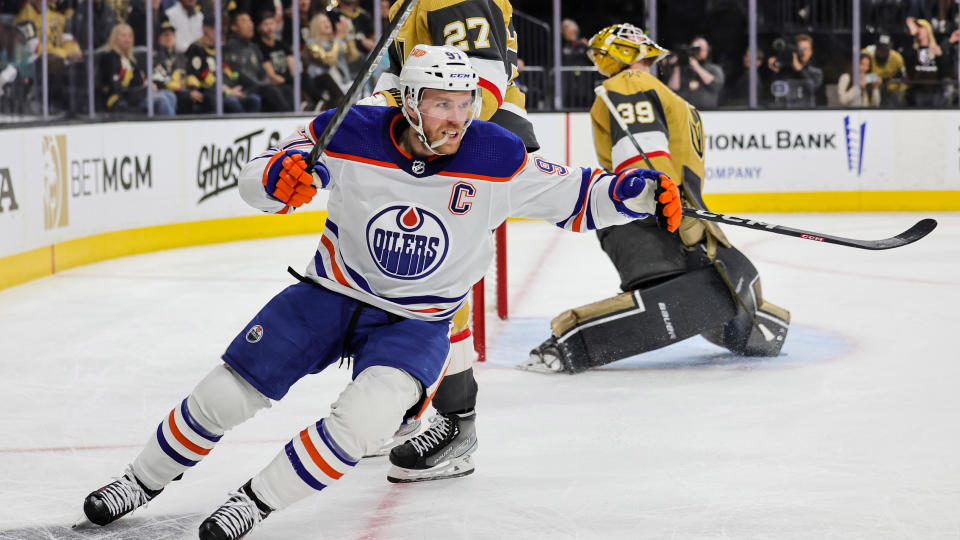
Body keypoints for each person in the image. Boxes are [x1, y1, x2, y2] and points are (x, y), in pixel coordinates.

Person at [78, 43, 682, 540]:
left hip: (415, 325)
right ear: (410, 102)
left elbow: (581, 195)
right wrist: (276, 177)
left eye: (464, 103)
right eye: (441, 104)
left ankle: (252, 505)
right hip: (328, 295)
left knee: (362, 424)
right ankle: (139, 480)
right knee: (223, 396)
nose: (456, 118)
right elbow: (259, 179)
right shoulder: (349, 130)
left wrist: (638, 191)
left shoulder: (497, 155)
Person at [524, 23, 789, 375]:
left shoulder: (646, 89)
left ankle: (571, 341)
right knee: (713, 297)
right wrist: (661, 204)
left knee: (741, 290)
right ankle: (569, 342)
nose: (653, 64)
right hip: (652, 218)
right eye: (648, 58)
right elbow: (646, 162)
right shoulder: (631, 84)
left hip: (672, 216)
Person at [359, 0, 541, 484]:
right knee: (394, 270)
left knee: (436, 282)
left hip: (468, 142)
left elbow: (475, 87)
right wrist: (375, 113)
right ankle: (404, 405)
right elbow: (404, 76)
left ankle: (456, 426)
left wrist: (421, 131)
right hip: (437, 138)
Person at [184, 14, 261, 113]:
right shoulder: (196, 48)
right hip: (210, 92)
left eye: (219, 27)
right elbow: (201, 76)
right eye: (213, 28)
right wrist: (227, 91)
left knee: (254, 99)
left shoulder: (221, 49)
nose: (218, 31)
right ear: (204, 29)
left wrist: (234, 87)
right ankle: (242, 128)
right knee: (232, 103)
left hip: (228, 89)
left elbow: (229, 71)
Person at [99, 23, 178, 115]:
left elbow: (138, 80)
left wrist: (147, 84)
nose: (127, 39)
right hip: (121, 98)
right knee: (162, 99)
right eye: (123, 36)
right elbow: (117, 87)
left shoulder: (129, 59)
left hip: (135, 95)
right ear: (115, 38)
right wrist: (144, 89)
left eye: (130, 36)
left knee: (170, 95)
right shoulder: (110, 57)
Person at [224, 10, 292, 111]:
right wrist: (261, 85)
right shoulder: (229, 49)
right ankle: (288, 119)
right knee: (271, 91)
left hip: (258, 87)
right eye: (244, 21)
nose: (250, 24)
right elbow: (239, 74)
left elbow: (263, 72)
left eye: (250, 21)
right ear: (234, 27)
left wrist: (264, 83)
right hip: (244, 89)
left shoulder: (254, 47)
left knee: (286, 90)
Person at [301, 11, 355, 110]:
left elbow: (352, 57)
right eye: (322, 22)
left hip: (342, 81)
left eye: (327, 21)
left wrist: (348, 35)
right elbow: (328, 61)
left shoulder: (335, 42)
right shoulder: (311, 44)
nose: (327, 23)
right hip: (321, 83)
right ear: (315, 27)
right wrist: (338, 39)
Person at [665, 36, 725, 109]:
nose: (698, 52)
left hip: (709, 113)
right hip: (686, 113)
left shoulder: (714, 69)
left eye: (701, 49)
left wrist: (696, 67)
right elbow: (672, 90)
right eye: (695, 49)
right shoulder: (682, 69)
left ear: (707, 51)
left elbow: (715, 85)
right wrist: (677, 65)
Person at [767, 33, 823, 107]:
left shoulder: (816, 72)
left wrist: (800, 69)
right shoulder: (785, 70)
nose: (803, 52)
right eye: (800, 49)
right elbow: (774, 90)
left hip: (807, 114)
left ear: (810, 52)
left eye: (806, 49)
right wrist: (774, 70)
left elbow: (812, 89)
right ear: (795, 51)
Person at [254, 8, 296, 108]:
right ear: (259, 28)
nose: (270, 28)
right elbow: (272, 76)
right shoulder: (259, 47)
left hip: (287, 81)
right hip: (276, 85)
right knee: (285, 90)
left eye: (272, 23)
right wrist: (289, 80)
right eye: (266, 24)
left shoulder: (282, 45)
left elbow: (293, 69)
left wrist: (292, 79)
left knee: (303, 79)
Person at [903, 18, 947, 107]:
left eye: (921, 27)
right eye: (917, 28)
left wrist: (941, 57)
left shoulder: (936, 50)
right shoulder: (913, 51)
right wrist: (911, 35)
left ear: (928, 29)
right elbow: (908, 67)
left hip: (935, 93)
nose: (918, 30)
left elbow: (945, 73)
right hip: (916, 92)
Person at [861, 33, 907, 107]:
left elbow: (905, 80)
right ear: (875, 47)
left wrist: (888, 83)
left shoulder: (897, 59)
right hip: (868, 88)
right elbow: (857, 75)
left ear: (890, 49)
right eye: (879, 48)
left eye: (885, 49)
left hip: (889, 90)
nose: (882, 52)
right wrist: (874, 79)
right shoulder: (866, 54)